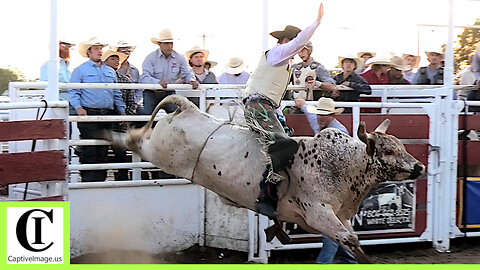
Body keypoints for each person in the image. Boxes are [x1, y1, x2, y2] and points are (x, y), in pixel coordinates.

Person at [243, 2, 324, 218]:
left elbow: (274, 100)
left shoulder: (281, 60)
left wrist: (279, 116)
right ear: (286, 41)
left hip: (264, 107)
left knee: (287, 144)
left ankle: (276, 195)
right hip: (258, 106)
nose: (298, 51)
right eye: (296, 47)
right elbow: (298, 42)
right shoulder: (278, 53)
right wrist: (315, 24)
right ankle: (265, 195)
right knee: (282, 145)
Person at [293, 97, 356, 264]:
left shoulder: (339, 133)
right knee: (336, 224)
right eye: (319, 114)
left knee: (331, 225)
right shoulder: (324, 125)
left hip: (335, 188)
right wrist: (303, 105)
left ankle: (324, 263)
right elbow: (313, 118)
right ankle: (350, 260)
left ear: (332, 116)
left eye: (323, 115)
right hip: (328, 187)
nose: (319, 117)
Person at [69, 37, 126, 182]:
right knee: (90, 149)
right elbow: (74, 92)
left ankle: (99, 181)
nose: (99, 51)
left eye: (100, 48)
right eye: (96, 48)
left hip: (107, 114)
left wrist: (121, 111)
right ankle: (89, 180)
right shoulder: (80, 70)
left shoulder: (110, 72)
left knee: (102, 149)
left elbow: (116, 93)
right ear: (89, 52)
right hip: (89, 113)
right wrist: (79, 108)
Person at [140, 29, 199, 114]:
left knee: (175, 115)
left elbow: (187, 73)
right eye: (166, 43)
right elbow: (144, 78)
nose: (170, 46)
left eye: (171, 43)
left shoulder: (180, 58)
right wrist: (157, 82)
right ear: (159, 44)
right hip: (151, 93)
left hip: (169, 91)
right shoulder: (150, 58)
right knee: (146, 115)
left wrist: (192, 80)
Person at [102, 50, 132, 181]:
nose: (116, 61)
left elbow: (132, 102)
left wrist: (126, 115)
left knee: (121, 154)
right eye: (112, 58)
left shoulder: (125, 80)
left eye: (117, 58)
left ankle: (122, 179)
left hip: (120, 123)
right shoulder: (101, 79)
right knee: (100, 152)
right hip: (105, 120)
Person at [40, 38, 75, 111]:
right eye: (63, 45)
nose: (66, 48)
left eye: (68, 46)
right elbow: (46, 86)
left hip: (71, 102)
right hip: (58, 103)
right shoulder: (49, 65)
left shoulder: (67, 66)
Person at [110, 40, 142, 112]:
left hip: (132, 103)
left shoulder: (135, 70)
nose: (126, 52)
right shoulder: (112, 69)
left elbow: (139, 89)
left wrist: (135, 103)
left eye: (129, 50)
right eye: (123, 50)